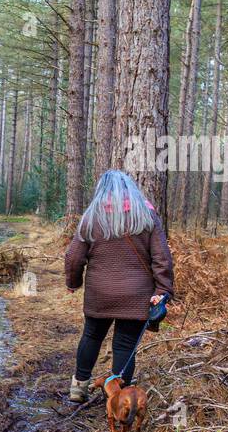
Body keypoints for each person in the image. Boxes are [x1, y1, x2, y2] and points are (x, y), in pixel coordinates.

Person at [63, 169, 175, 403]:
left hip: (99, 294)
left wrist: (73, 283)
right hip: (136, 296)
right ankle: (121, 398)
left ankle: (78, 388)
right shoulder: (147, 215)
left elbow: (73, 257)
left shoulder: (91, 217)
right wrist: (163, 290)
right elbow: (162, 257)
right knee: (125, 344)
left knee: (91, 336)